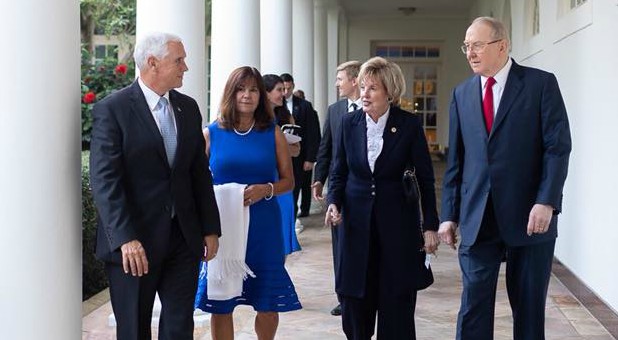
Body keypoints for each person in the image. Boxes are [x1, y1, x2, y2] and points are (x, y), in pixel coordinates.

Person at [439, 17, 572, 340]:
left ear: (502, 46)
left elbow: (557, 148)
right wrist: (448, 216)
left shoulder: (541, 85)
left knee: (527, 311)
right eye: (466, 46)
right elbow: (456, 161)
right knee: (473, 307)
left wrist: (546, 201)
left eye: (477, 45)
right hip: (477, 218)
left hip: (530, 217)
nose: (470, 53)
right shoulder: (461, 94)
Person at [89, 32, 221, 340]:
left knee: (179, 328)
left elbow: (198, 173)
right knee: (134, 329)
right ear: (153, 63)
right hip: (134, 245)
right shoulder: (113, 109)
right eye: (179, 60)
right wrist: (126, 239)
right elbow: (104, 180)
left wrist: (210, 228)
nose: (185, 67)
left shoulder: (188, 108)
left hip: (183, 239)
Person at [326, 56, 440, 339]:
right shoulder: (348, 123)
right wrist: (333, 202)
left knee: (397, 307)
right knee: (355, 307)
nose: (364, 94)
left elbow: (425, 178)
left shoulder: (409, 125)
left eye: (372, 88)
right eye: (363, 87)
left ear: (390, 92)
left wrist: (430, 227)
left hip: (397, 229)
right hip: (355, 228)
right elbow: (338, 171)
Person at [195, 66, 302, 340]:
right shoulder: (211, 133)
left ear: (261, 96)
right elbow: (194, 181)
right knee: (221, 304)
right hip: (223, 227)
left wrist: (266, 189)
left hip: (263, 227)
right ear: (230, 94)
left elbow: (288, 181)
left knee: (266, 300)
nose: (247, 95)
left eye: (253, 90)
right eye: (241, 89)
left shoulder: (273, 133)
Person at [312, 60, 362, 317]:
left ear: (355, 80)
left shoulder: (372, 106)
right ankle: (343, 296)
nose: (337, 84)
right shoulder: (334, 110)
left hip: (365, 189)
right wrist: (319, 179)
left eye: (340, 79)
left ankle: (364, 292)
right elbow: (325, 148)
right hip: (339, 188)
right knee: (340, 245)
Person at [263, 73, 302, 255]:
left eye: (285, 89)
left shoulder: (287, 117)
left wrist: (283, 145)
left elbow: (297, 150)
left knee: (283, 223)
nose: (284, 93)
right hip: (264, 177)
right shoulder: (255, 118)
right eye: (279, 90)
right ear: (267, 92)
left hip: (282, 178)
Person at [280, 73, 321, 219]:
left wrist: (310, 158)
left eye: (288, 88)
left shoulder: (304, 106)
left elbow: (312, 133)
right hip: (281, 155)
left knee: (298, 184)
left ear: (293, 86)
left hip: (300, 154)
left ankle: (299, 211)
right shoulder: (275, 105)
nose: (285, 92)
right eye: (282, 89)